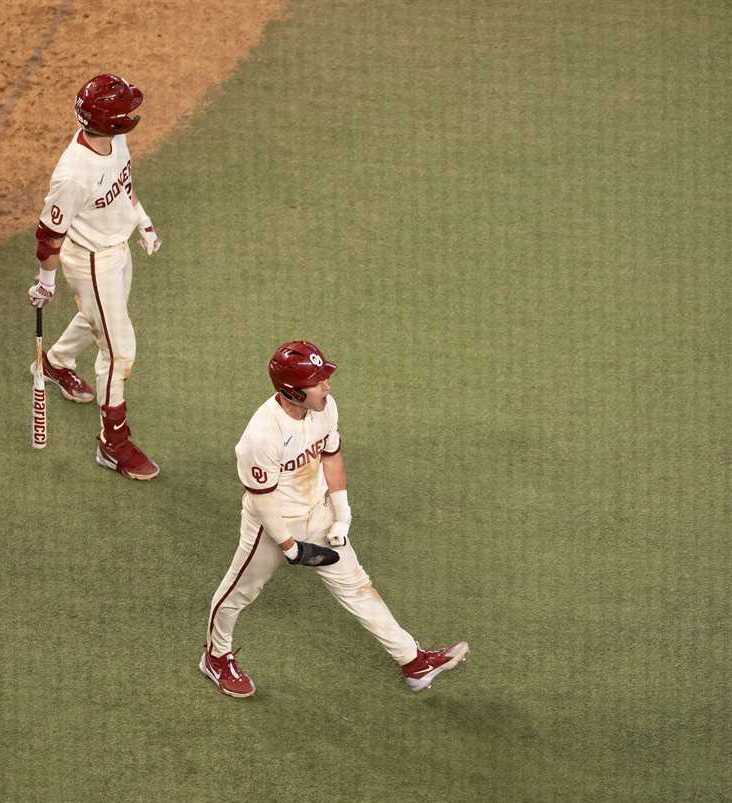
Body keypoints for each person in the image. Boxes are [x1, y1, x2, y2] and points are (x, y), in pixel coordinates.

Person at [200, 340, 468, 697]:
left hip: (318, 514)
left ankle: (412, 662)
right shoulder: (261, 436)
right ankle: (215, 657)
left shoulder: (325, 408)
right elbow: (262, 499)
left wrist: (341, 514)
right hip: (272, 525)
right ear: (293, 392)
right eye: (316, 381)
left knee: (357, 585)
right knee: (239, 593)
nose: (326, 385)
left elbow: (331, 457)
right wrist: (290, 546)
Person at [27, 73, 161, 480]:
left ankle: (55, 362)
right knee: (120, 353)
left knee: (97, 319)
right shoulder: (73, 175)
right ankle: (112, 443)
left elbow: (124, 187)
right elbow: (48, 235)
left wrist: (144, 222)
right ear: (113, 121)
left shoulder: (114, 141)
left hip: (117, 248)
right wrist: (45, 281)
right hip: (91, 261)